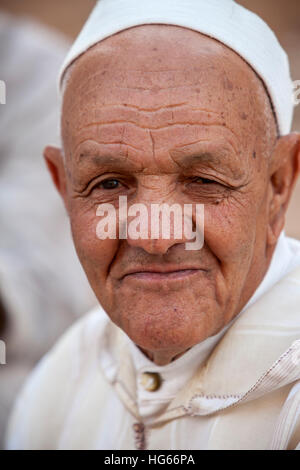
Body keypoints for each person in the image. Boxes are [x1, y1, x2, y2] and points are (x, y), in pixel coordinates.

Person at [5, 0, 300, 450]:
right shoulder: (62, 379)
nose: (155, 236)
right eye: (109, 183)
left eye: (203, 181)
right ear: (63, 188)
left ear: (279, 184)